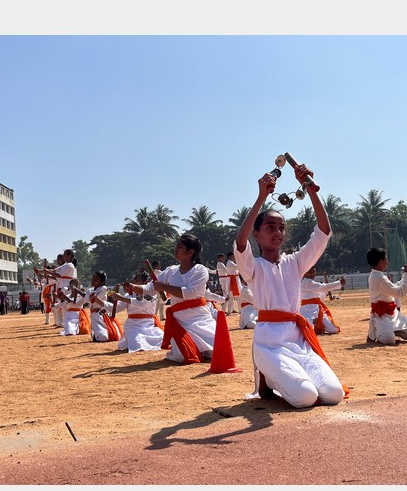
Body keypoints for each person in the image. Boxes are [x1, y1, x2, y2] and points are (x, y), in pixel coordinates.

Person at [234, 159, 346, 409]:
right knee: (305, 397)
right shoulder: (253, 267)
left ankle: (280, 379)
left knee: (333, 394)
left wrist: (312, 191)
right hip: (269, 343)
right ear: (258, 234)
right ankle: (270, 378)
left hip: (298, 340)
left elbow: (323, 232)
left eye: (281, 228)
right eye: (270, 227)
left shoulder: (295, 262)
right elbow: (240, 244)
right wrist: (261, 197)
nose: (277, 232)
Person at [125, 234, 216, 364]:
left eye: (179, 247)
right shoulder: (171, 270)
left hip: (198, 317)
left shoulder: (200, 270)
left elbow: (190, 293)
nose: (175, 250)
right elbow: (151, 289)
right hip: (179, 319)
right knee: (181, 354)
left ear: (190, 252)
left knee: (214, 350)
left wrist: (164, 287)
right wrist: (133, 287)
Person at [367, 247, 407, 345]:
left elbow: (393, 288)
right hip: (381, 316)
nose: (387, 262)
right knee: (389, 340)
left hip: (392, 314)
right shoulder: (379, 277)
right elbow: (400, 293)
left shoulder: (378, 276)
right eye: (385, 259)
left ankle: (392, 329)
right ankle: (377, 329)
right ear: (380, 261)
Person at [109, 273, 164, 352]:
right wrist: (100, 303)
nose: (134, 281)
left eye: (137, 279)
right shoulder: (129, 295)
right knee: (136, 342)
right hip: (132, 325)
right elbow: (118, 308)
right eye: (134, 279)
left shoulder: (152, 294)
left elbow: (141, 304)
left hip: (148, 325)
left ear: (145, 282)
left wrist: (120, 298)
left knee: (163, 338)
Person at [299, 265, 345, 334]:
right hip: (307, 311)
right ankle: (315, 326)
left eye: (314, 271)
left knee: (334, 329)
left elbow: (320, 296)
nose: (312, 273)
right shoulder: (306, 282)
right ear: (305, 273)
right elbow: (323, 287)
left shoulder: (312, 284)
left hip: (318, 310)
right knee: (307, 330)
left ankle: (317, 326)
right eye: (310, 271)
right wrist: (339, 283)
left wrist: (326, 291)